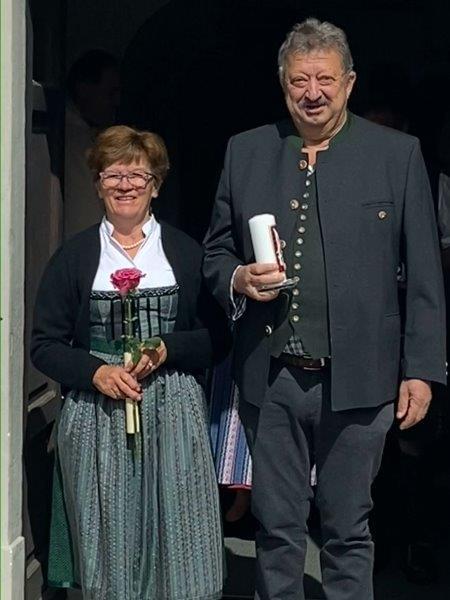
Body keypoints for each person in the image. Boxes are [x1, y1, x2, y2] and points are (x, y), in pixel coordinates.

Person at [203, 18, 447, 600]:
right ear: (282, 83)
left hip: (362, 378)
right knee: (276, 529)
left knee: (348, 531)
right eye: (299, 81)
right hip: (272, 377)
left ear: (349, 83)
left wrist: (421, 369)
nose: (312, 93)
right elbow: (215, 251)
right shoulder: (246, 150)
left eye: (325, 80)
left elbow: (424, 275)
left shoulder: (397, 154)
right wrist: (237, 277)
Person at [31, 125, 225, 600]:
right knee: (109, 536)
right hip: (97, 415)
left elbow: (218, 338)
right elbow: (45, 345)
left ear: (155, 185)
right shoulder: (74, 257)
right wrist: (96, 372)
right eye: (112, 175)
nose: (125, 185)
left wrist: (167, 348)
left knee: (178, 533)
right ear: (98, 184)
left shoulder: (185, 253)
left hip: (174, 412)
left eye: (137, 175)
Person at [65, 49, 120, 238]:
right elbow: (85, 214)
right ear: (84, 90)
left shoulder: (91, 136)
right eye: (110, 93)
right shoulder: (72, 139)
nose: (116, 102)